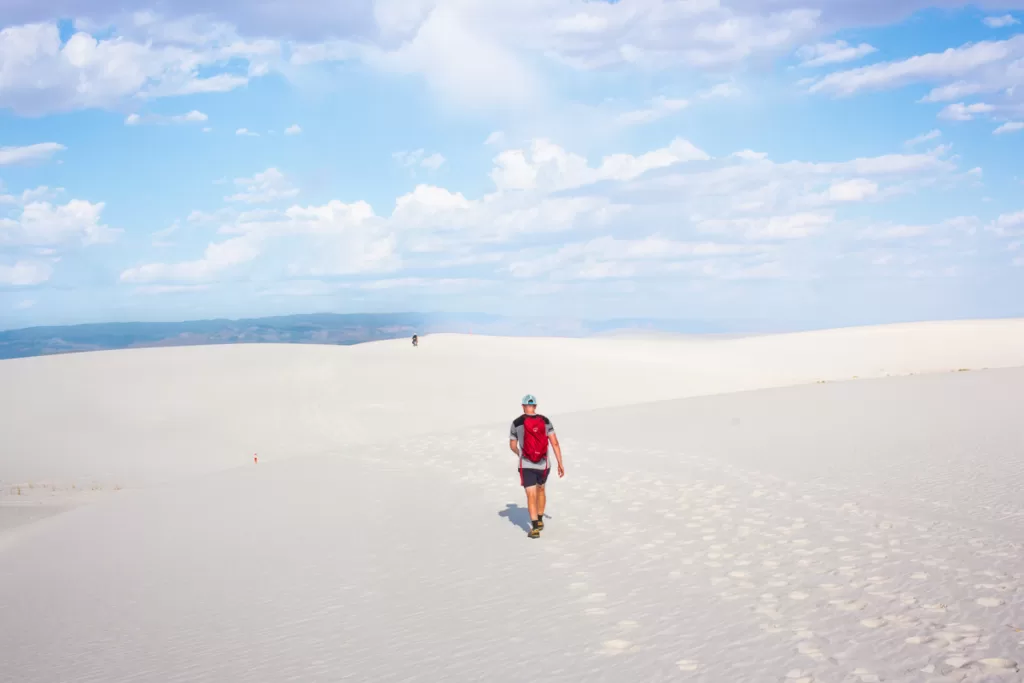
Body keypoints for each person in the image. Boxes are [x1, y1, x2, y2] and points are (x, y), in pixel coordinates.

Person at [509, 394, 564, 538]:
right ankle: (539, 519)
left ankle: (534, 527)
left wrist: (519, 453)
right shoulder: (545, 421)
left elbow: (512, 445)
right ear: (535, 406)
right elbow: (555, 443)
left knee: (530, 494)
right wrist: (560, 463)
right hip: (544, 464)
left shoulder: (516, 423)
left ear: (523, 406)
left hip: (526, 464)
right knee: (541, 490)